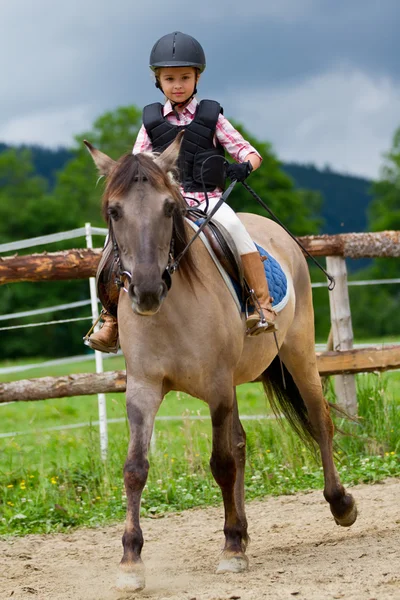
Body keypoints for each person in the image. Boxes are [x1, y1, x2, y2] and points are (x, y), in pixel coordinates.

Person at [87, 31, 276, 353]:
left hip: (207, 202)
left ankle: (261, 304)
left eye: (185, 78)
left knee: (235, 229)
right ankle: (111, 319)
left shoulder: (212, 116)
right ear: (158, 81)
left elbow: (250, 153)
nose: (177, 85)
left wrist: (244, 166)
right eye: (169, 78)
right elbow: (137, 163)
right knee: (111, 244)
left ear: (197, 78)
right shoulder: (150, 121)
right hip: (163, 206)